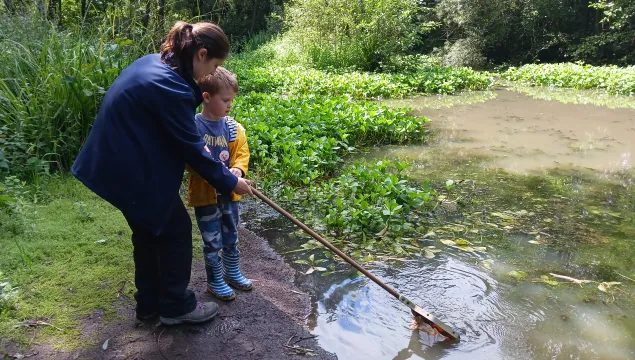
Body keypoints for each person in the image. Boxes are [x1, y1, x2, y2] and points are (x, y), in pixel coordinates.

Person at [70, 21, 253, 326]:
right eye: (214, 65)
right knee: (176, 230)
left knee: (149, 231)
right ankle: (175, 306)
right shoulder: (170, 87)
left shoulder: (154, 64)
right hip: (127, 168)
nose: (210, 74)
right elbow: (194, 149)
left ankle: (149, 306)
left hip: (119, 161)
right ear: (201, 53)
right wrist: (231, 181)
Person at [186, 67, 252, 301]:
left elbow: (242, 151)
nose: (229, 105)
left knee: (231, 234)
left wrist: (238, 169)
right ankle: (215, 281)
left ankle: (232, 272)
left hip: (230, 194)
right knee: (212, 240)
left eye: (231, 100)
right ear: (206, 97)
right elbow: (191, 162)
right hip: (205, 197)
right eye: (225, 100)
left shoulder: (233, 127)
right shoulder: (192, 127)